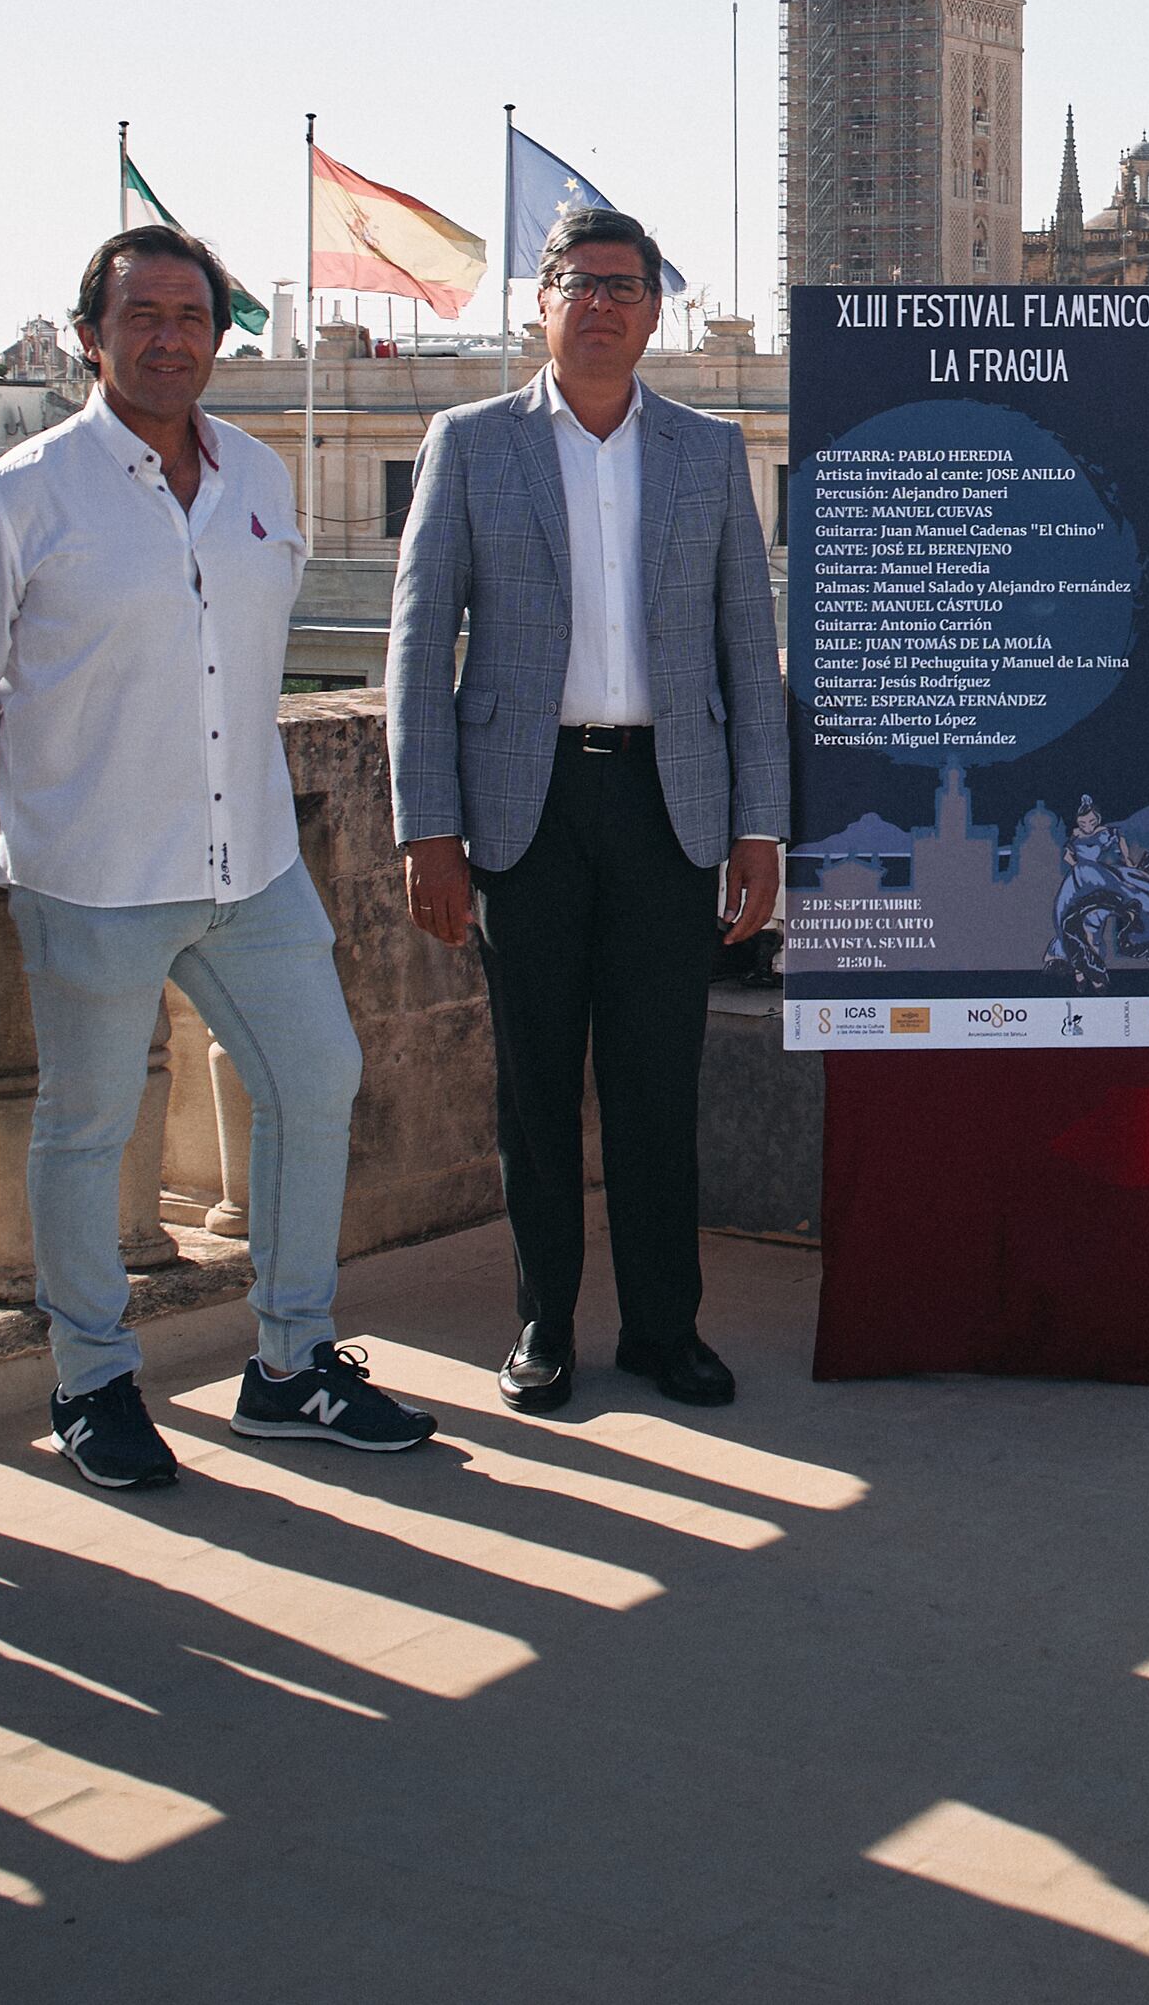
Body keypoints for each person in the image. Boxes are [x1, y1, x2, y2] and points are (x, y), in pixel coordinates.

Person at [0, 224, 428, 1495]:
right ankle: (91, 1380)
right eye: (140, 313)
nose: (167, 336)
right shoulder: (17, 496)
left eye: (191, 315)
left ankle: (291, 1366)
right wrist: (47, 813)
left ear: (216, 334)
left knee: (317, 1083)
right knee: (88, 1134)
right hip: (92, 878)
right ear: (91, 335)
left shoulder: (256, 472)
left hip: (250, 862)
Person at [391, 206, 788, 1416]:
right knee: (533, 1084)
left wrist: (759, 827)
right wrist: (427, 830)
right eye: (579, 283)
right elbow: (419, 643)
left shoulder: (707, 452)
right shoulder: (468, 444)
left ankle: (665, 1330)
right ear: (542, 302)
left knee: (657, 1083)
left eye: (625, 286)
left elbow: (741, 640)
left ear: (654, 310)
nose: (603, 304)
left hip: (673, 800)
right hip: (527, 805)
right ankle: (543, 1324)